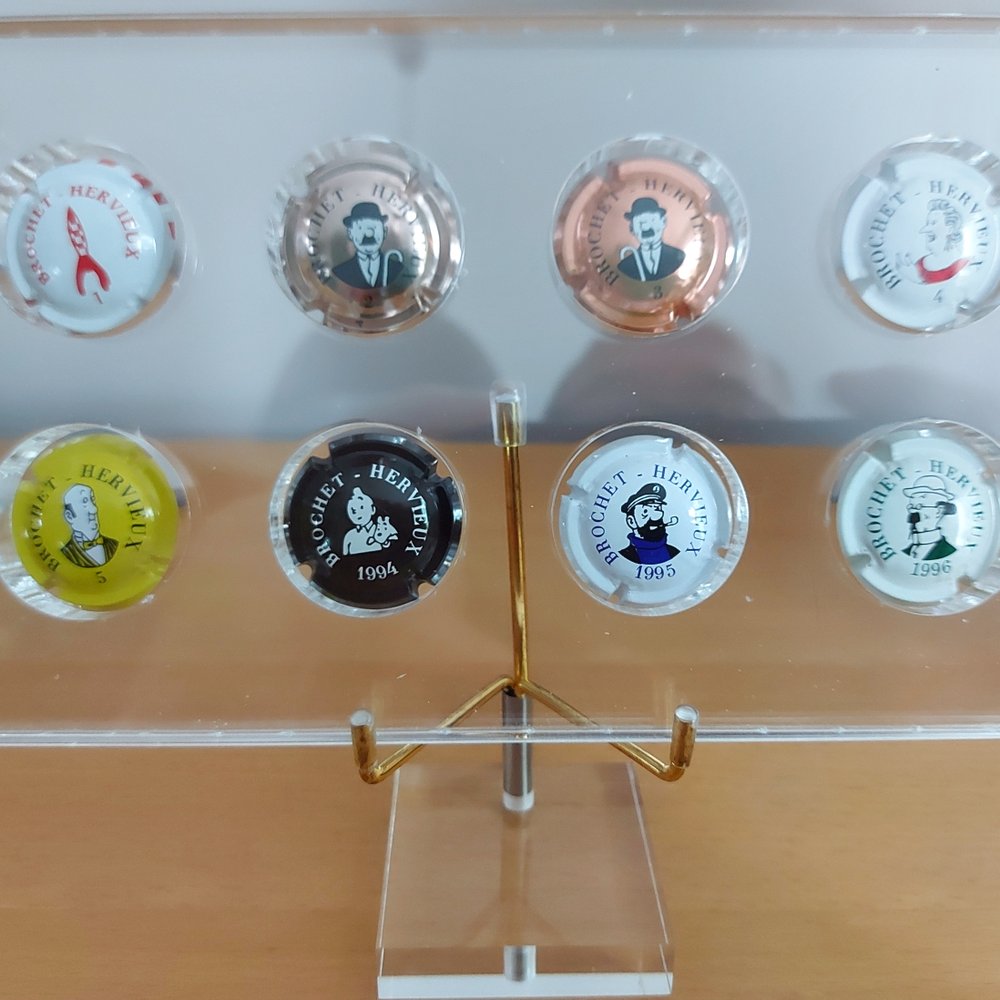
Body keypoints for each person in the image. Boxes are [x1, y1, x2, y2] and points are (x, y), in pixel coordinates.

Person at [332, 202, 404, 289]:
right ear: (350, 234)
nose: (369, 234)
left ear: (384, 232)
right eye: (360, 228)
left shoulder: (397, 268)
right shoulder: (340, 271)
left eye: (374, 228)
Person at [897, 198, 969, 285]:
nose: (925, 230)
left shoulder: (962, 264)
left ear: (950, 229)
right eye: (927, 224)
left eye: (933, 223)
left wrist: (912, 277)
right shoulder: (920, 263)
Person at [617, 197, 685, 282]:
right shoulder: (625, 266)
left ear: (663, 222)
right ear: (632, 228)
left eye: (652, 220)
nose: (645, 227)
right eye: (639, 222)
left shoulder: (678, 256)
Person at [618, 483, 680, 565]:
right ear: (631, 521)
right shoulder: (624, 557)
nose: (656, 517)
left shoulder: (674, 552)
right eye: (645, 511)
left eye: (657, 509)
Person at [901, 475, 958, 560]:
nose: (913, 512)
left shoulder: (948, 552)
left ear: (939, 511)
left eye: (919, 506)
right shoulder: (904, 554)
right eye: (911, 507)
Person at [61, 484, 118, 568]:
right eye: (84, 502)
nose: (94, 509)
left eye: (92, 500)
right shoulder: (67, 552)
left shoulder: (113, 545)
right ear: (69, 516)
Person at [342, 487, 398, 555]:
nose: (358, 513)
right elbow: (343, 558)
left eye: (361, 508)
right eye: (353, 510)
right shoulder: (349, 536)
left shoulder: (381, 530)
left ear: (373, 510)